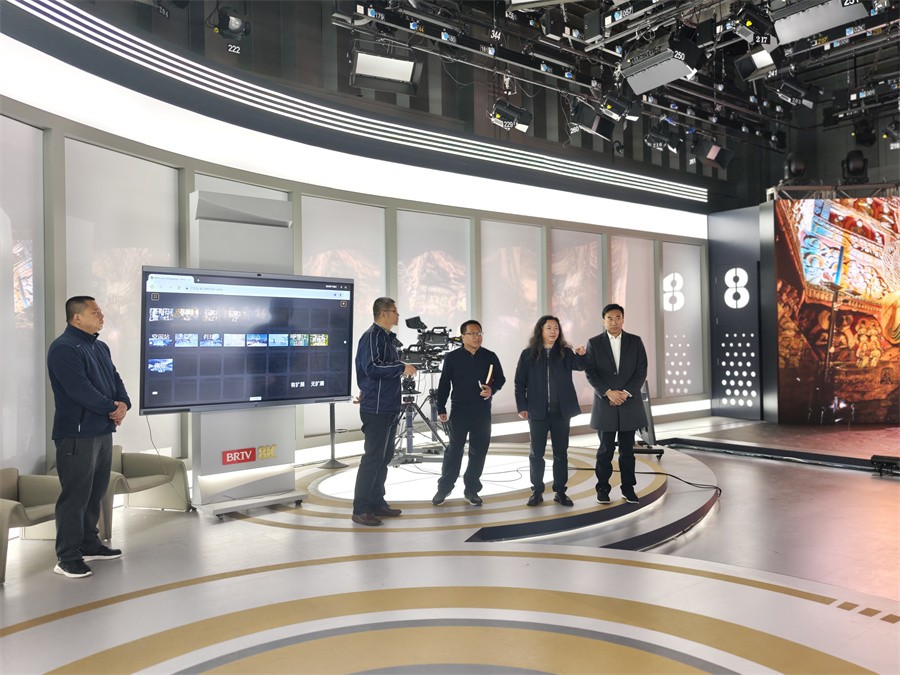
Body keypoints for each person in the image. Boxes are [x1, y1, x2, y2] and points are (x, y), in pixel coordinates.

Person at [47, 296, 131, 579]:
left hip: (102, 431)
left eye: (100, 312)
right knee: (75, 496)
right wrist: (111, 408)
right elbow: (79, 390)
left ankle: (89, 544)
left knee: (95, 492)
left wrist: (123, 403)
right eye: (95, 312)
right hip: (77, 434)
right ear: (77, 318)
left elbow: (115, 379)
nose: (101, 316)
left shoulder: (99, 347)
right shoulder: (63, 348)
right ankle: (67, 557)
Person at [353, 297, 417, 526]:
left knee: (385, 456)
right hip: (376, 408)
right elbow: (371, 367)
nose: (398, 315)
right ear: (382, 313)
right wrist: (402, 367)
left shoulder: (387, 338)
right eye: (394, 311)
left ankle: (376, 502)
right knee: (373, 458)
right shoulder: (371, 336)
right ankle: (361, 509)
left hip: (389, 406)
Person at [514, 316, 586, 507]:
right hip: (537, 412)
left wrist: (581, 355)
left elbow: (581, 366)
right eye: (549, 328)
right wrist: (522, 406)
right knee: (536, 454)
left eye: (556, 328)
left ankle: (560, 492)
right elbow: (519, 382)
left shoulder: (565, 353)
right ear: (541, 330)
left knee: (560, 453)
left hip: (561, 412)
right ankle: (537, 491)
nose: (553, 331)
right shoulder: (528, 354)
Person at [433, 320, 505, 506]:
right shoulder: (452, 357)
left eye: (479, 333)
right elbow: (444, 383)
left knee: (479, 451)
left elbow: (500, 379)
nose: (476, 337)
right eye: (472, 333)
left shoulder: (489, 356)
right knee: (454, 450)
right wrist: (441, 407)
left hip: (482, 411)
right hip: (459, 411)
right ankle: (444, 487)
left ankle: (471, 489)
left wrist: (492, 389)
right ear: (463, 337)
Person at [584, 303, 648, 505]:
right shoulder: (594, 343)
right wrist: (608, 393)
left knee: (628, 451)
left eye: (618, 317)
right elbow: (590, 372)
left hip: (629, 403)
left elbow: (641, 370)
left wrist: (626, 393)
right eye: (609, 318)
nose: (614, 322)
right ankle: (602, 488)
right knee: (605, 450)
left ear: (623, 319)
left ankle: (628, 488)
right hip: (605, 403)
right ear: (603, 321)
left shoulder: (635, 341)